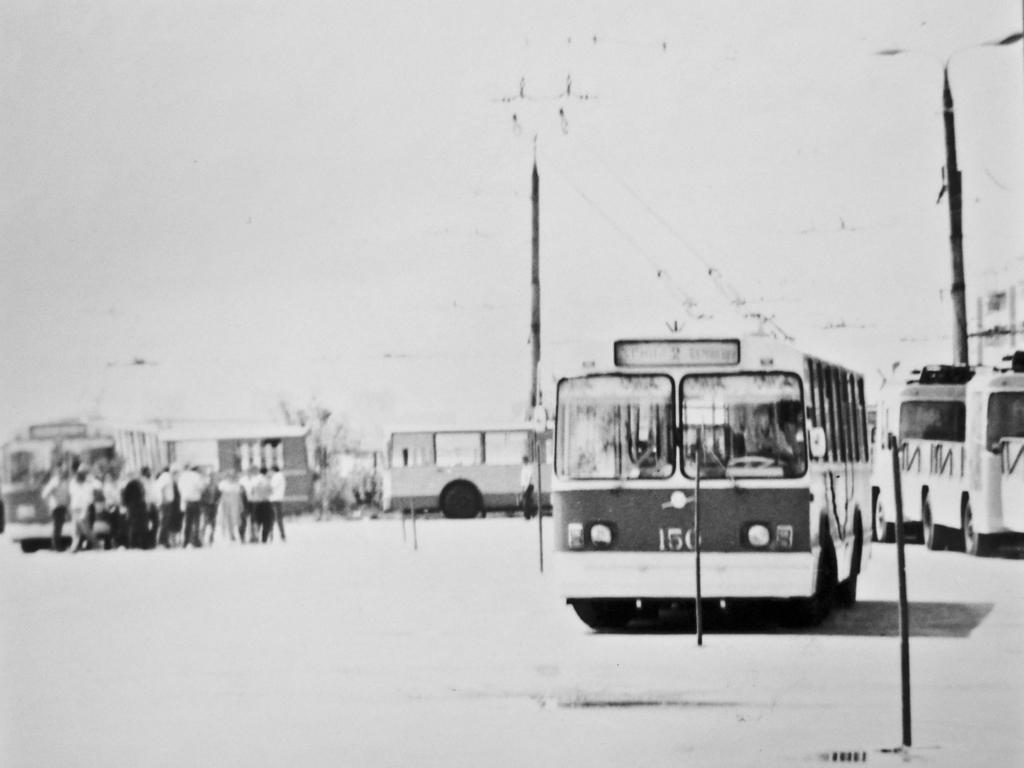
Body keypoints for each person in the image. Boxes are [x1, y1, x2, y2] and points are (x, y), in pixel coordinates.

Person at [68, 466, 101, 552]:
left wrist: (84, 511)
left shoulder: (87, 486)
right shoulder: (74, 485)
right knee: (75, 530)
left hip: (83, 509)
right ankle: (74, 548)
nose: (77, 479)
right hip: (75, 509)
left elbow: (87, 500)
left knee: (87, 530)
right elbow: (72, 495)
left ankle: (97, 545)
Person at [41, 465, 71, 551]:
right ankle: (56, 546)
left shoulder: (64, 481)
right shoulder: (54, 482)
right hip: (56, 507)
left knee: (59, 527)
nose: (62, 473)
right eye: (60, 472)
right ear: (57, 473)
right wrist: (50, 502)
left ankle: (56, 545)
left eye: (63, 472)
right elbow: (44, 494)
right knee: (57, 527)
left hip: (63, 506)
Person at [177, 464, 206, 548]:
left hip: (185, 500)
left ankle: (185, 541)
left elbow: (179, 488)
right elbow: (201, 487)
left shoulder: (182, 476)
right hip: (195, 500)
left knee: (187, 522)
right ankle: (195, 540)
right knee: (196, 521)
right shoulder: (197, 476)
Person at [121, 472, 149, 549]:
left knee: (133, 526)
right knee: (142, 526)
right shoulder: (139, 484)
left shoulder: (128, 485)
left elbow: (125, 498)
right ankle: (144, 544)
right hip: (140, 507)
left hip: (132, 507)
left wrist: (126, 505)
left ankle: (133, 544)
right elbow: (143, 495)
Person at [216, 470, 244, 543]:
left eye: (232, 476)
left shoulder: (236, 484)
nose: (231, 478)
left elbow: (239, 495)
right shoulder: (223, 483)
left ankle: (235, 535)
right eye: (229, 476)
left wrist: (241, 504)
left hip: (234, 502)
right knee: (225, 519)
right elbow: (221, 494)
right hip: (225, 502)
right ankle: (226, 536)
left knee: (235, 519)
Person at [249, 468, 274, 543]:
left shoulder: (256, 480)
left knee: (257, 520)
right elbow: (271, 491)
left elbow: (252, 491)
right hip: (266, 502)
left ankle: (255, 536)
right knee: (266, 520)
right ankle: (264, 537)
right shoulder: (267, 481)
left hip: (257, 503)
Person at [155, 466, 178, 547]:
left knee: (166, 522)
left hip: (166, 503)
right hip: (166, 503)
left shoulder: (165, 477)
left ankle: (164, 540)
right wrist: (162, 499)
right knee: (165, 522)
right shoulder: (166, 477)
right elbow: (159, 488)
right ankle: (162, 541)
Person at [198, 469, 220, 546]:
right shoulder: (204, 484)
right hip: (206, 506)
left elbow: (218, 495)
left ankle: (211, 537)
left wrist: (217, 502)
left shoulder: (216, 485)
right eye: (210, 476)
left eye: (212, 476)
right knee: (205, 521)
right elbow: (201, 495)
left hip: (213, 505)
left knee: (213, 522)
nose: (211, 477)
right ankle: (201, 538)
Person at [269, 465, 287, 542]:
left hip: (274, 499)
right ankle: (282, 535)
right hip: (279, 499)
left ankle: (271, 535)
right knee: (279, 518)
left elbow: (273, 486)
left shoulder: (276, 477)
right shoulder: (281, 476)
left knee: (272, 518)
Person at [519, 456, 536, 520]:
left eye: (524, 461)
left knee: (526, 501)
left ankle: (527, 515)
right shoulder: (524, 467)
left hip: (529, 486)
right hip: (525, 486)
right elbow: (523, 478)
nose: (523, 462)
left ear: (526, 461)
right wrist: (523, 487)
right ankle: (532, 513)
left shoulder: (529, 467)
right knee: (527, 501)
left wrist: (526, 487)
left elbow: (529, 478)